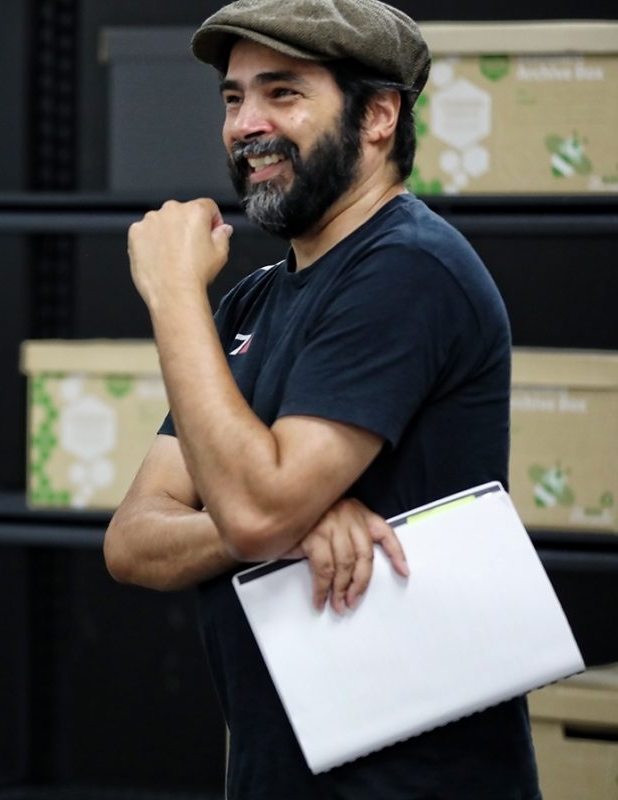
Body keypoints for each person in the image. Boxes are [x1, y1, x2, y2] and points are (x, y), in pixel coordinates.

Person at [104, 0, 541, 797]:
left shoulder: (408, 267)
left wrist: (171, 295)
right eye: (234, 98)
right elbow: (133, 539)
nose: (246, 123)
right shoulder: (249, 303)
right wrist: (290, 526)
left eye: (283, 93)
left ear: (378, 115)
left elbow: (256, 511)